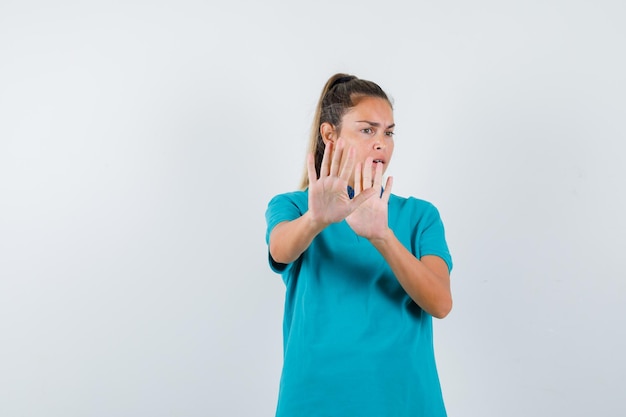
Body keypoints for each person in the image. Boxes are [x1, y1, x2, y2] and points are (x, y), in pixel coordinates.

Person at [265, 73, 453, 417]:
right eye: (368, 130)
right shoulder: (292, 206)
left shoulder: (420, 215)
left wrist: (383, 237)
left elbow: (440, 303)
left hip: (405, 402)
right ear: (329, 135)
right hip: (314, 401)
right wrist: (316, 219)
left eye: (388, 132)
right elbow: (280, 250)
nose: (381, 142)